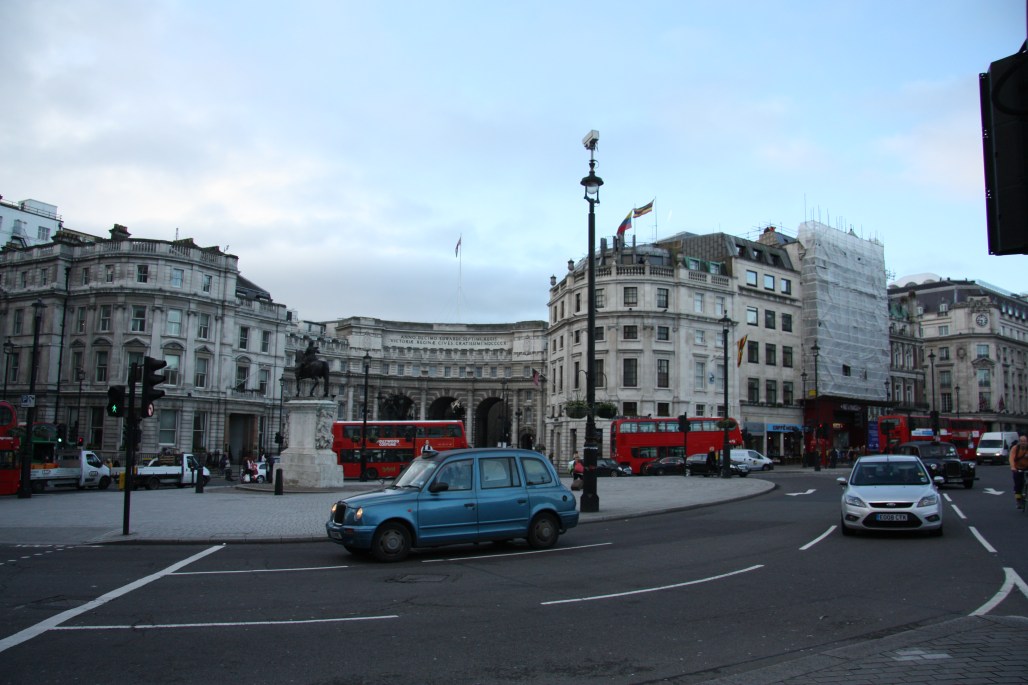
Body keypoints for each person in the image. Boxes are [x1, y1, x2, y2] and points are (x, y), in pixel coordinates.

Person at [1009, 433, 1028, 510]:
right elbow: (1011, 458)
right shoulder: (1015, 448)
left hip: (1027, 467)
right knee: (1018, 485)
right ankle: (1018, 501)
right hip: (1017, 468)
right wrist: (1013, 467)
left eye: (1025, 441)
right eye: (1021, 441)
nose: (1023, 443)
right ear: (1019, 442)